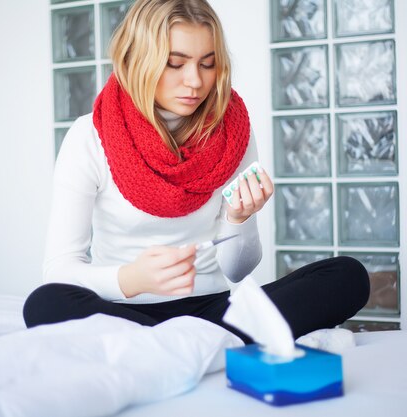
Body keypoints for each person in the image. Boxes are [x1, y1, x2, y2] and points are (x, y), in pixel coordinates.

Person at [23, 0, 369, 343]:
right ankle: (210, 344)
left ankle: (174, 346)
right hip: (123, 309)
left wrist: (239, 217)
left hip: (213, 310)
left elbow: (237, 270)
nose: (195, 81)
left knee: (347, 276)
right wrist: (132, 279)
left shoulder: (232, 132)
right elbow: (59, 270)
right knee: (44, 304)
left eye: (208, 64)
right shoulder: (90, 136)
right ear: (136, 59)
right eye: (175, 63)